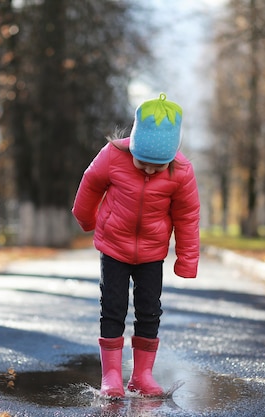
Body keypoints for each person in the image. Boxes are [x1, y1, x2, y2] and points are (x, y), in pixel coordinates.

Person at [72, 93, 200, 398]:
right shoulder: (114, 155)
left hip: (152, 253)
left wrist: (187, 259)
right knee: (113, 308)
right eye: (144, 163)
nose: (149, 171)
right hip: (114, 246)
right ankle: (112, 376)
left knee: (149, 311)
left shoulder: (181, 172)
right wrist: (86, 219)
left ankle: (142, 374)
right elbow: (90, 184)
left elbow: (187, 217)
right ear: (134, 145)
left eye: (158, 166)